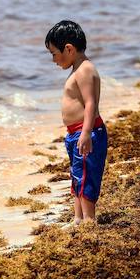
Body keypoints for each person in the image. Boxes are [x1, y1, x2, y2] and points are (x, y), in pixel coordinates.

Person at [45, 20, 107, 224]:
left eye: (54, 54)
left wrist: (86, 132)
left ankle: (89, 219)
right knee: (77, 175)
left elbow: (91, 104)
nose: (53, 60)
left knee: (87, 176)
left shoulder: (84, 70)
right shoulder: (77, 69)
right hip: (75, 133)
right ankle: (78, 218)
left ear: (69, 49)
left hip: (86, 132)